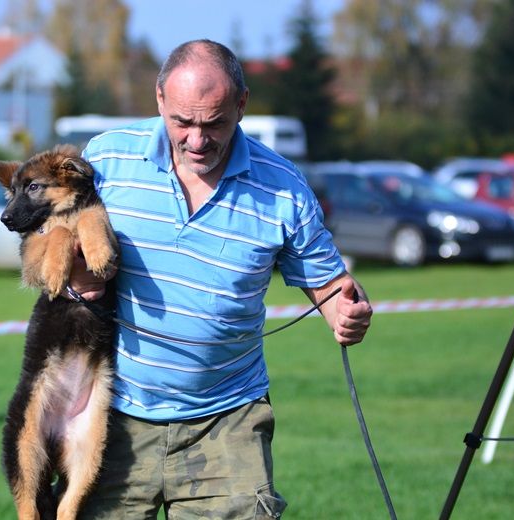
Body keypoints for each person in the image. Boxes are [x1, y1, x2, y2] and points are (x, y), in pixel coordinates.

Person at [67, 39, 373, 519]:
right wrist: (73, 277)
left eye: (214, 123)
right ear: (160, 99)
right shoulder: (106, 161)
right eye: (182, 122)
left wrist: (347, 313)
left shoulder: (283, 188)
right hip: (111, 415)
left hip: (228, 420)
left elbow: (332, 285)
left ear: (242, 105)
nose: (196, 140)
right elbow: (47, 243)